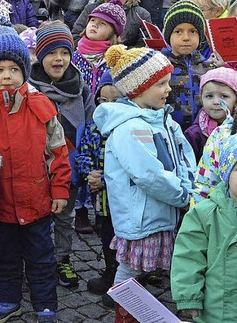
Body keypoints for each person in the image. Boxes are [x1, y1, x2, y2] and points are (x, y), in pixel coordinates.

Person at [0, 25, 71, 323]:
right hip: (1, 203)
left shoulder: (41, 105)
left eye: (13, 69)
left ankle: (44, 302)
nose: (6, 76)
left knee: (41, 257)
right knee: (5, 257)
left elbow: (57, 152)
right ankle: (7, 298)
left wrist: (60, 190)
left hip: (37, 200)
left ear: (24, 71)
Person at [93, 45, 194, 321]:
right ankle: (125, 313)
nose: (168, 89)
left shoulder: (163, 119)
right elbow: (149, 175)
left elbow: (184, 156)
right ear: (138, 89)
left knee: (151, 268)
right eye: (160, 83)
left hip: (162, 212)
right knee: (130, 269)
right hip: (143, 218)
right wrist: (184, 196)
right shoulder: (129, 129)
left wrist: (190, 185)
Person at [28, 21, 95, 288]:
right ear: (41, 54)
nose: (59, 59)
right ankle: (37, 261)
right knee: (37, 219)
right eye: (52, 52)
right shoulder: (29, 88)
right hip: (35, 168)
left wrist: (85, 161)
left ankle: (62, 258)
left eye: (65, 52)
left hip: (69, 166)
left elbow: (90, 127)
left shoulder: (80, 88)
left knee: (65, 217)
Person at [171, 136, 237, 322]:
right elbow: (189, 256)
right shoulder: (205, 214)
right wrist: (189, 296)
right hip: (216, 311)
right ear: (225, 173)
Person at [75, 72, 124, 300]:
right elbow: (84, 154)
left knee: (123, 236)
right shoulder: (94, 128)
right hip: (102, 201)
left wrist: (103, 178)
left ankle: (127, 278)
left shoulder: (125, 129)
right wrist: (90, 173)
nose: (107, 106)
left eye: (114, 100)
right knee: (106, 235)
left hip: (123, 201)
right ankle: (110, 271)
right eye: (103, 100)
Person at [162, 0, 211, 131]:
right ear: (168, 35)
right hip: (169, 132)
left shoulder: (208, 67)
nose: (186, 37)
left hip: (201, 133)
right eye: (178, 31)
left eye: (193, 31)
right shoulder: (160, 66)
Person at [72, 0, 126, 95]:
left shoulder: (117, 60)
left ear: (113, 32)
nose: (94, 25)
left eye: (102, 23)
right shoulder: (74, 57)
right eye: (92, 20)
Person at [184, 67, 237, 162]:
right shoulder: (194, 135)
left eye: (224, 96)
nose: (216, 102)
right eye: (209, 96)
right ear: (201, 99)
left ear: (236, 100)